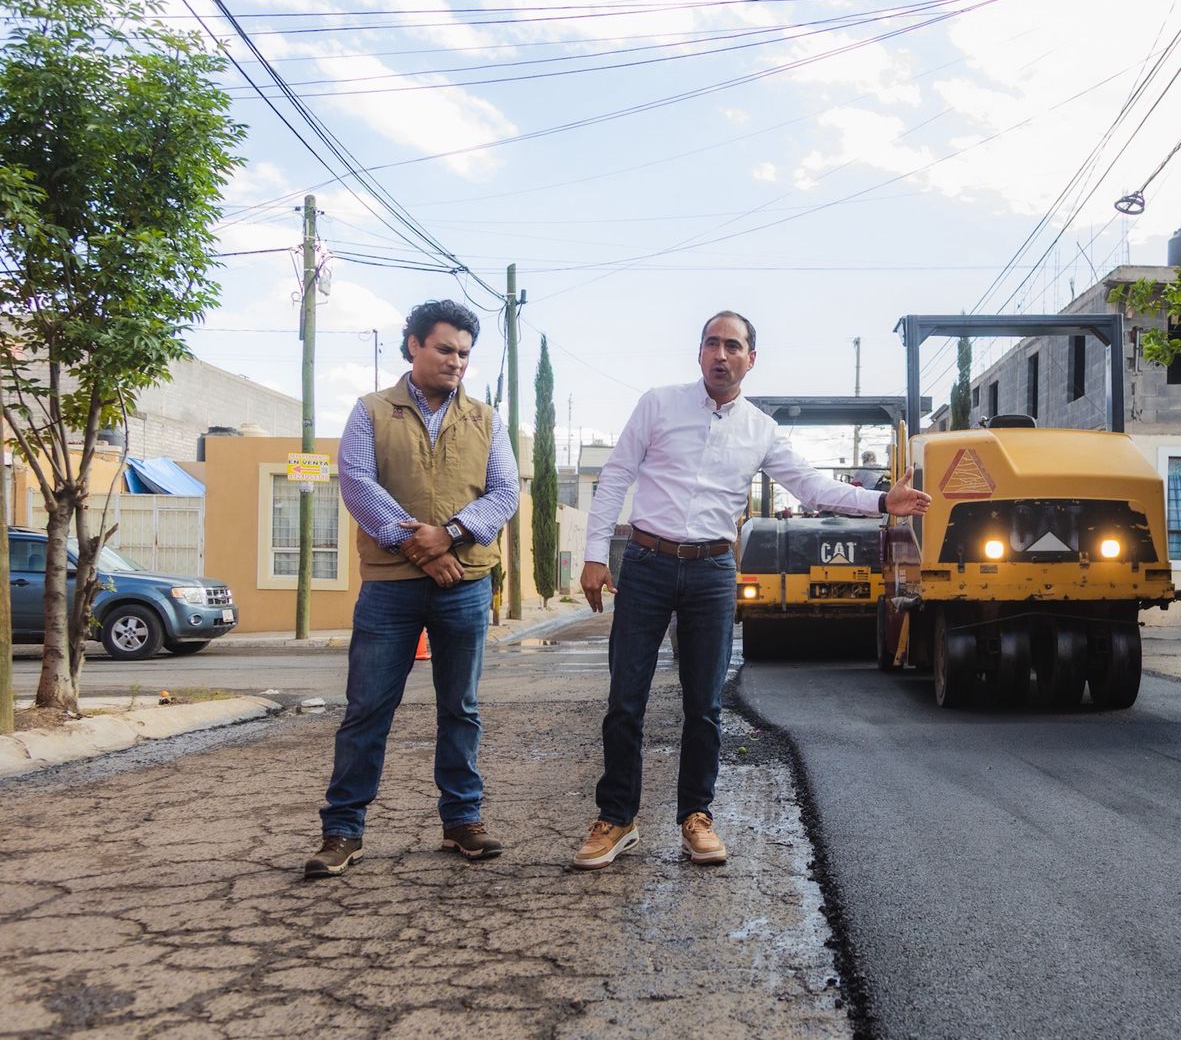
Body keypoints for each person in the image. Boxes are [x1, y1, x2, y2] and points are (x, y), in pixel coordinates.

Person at [572, 311, 930, 870]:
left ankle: (696, 817)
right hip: (646, 563)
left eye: (733, 346)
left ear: (750, 359)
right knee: (626, 698)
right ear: (699, 352)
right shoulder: (658, 404)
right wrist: (595, 555)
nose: (721, 354)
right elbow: (615, 475)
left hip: (712, 571)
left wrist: (882, 501)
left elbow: (810, 486)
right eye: (712, 343)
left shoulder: (760, 429)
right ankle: (617, 818)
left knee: (704, 704)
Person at [305, 299, 520, 879]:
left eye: (465, 354)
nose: (456, 362)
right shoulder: (372, 410)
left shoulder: (486, 419)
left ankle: (462, 821)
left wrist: (449, 535)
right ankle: (343, 831)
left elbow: (505, 491)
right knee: (367, 709)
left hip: (464, 583)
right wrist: (419, 547)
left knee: (461, 708)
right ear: (414, 346)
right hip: (390, 586)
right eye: (446, 349)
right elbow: (357, 483)